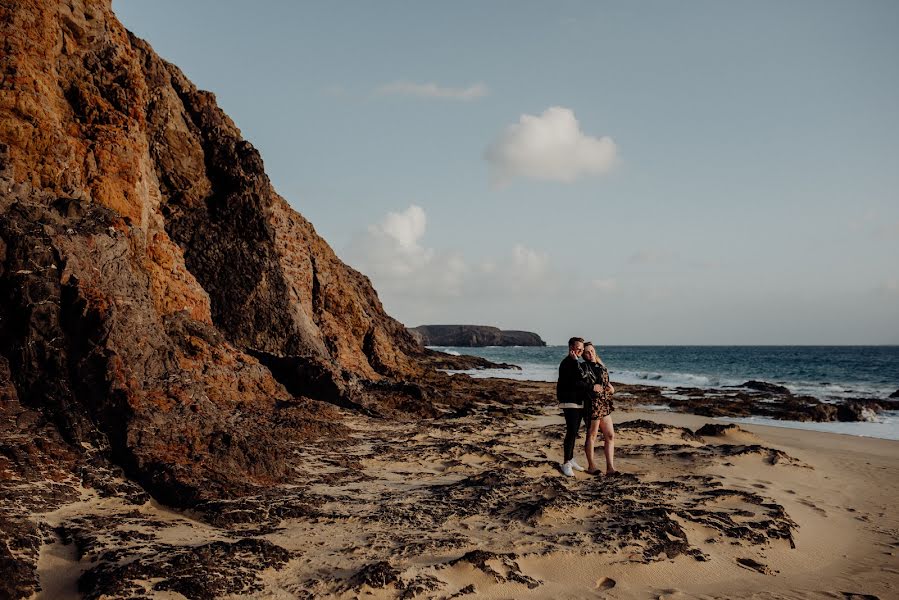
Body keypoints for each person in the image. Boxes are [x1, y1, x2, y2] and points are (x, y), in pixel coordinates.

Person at [556, 337, 604, 476]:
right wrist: (592, 387)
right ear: (571, 347)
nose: (580, 351)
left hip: (578, 402)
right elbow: (578, 381)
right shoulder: (568, 363)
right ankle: (566, 463)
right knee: (571, 432)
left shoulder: (575, 362)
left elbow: (582, 378)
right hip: (569, 401)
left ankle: (570, 459)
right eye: (578, 348)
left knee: (575, 432)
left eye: (582, 349)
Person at [581, 342, 617, 475]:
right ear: (583, 355)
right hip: (591, 404)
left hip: (604, 404)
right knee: (592, 436)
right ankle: (591, 466)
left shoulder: (601, 366)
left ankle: (610, 468)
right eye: (587, 352)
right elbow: (581, 385)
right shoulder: (583, 367)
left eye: (592, 351)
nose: (590, 354)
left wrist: (611, 388)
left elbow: (606, 383)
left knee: (610, 435)